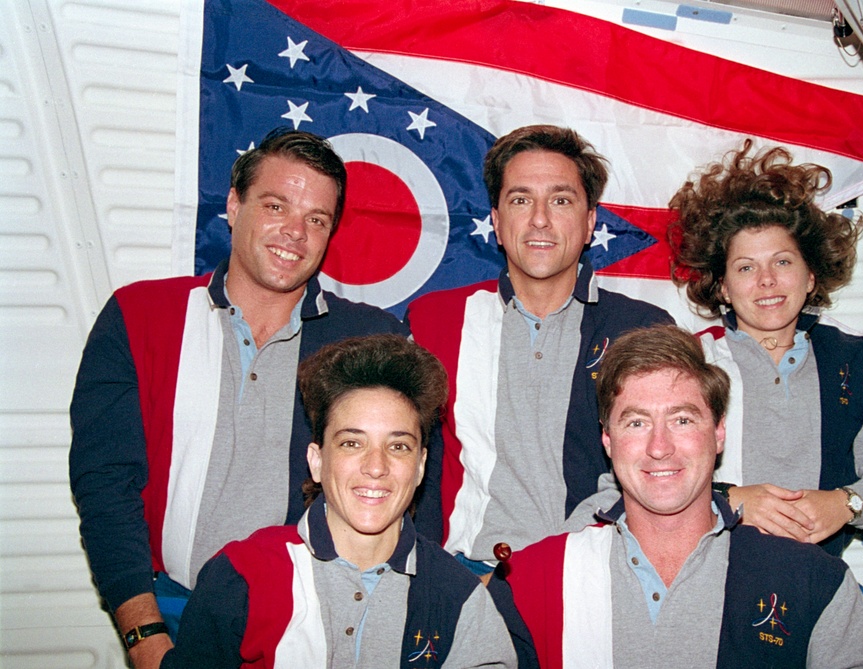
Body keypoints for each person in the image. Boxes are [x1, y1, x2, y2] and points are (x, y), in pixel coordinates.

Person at [69, 128, 407, 665]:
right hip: (173, 610)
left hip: (318, 619)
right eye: (276, 206)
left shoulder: (371, 340)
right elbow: (106, 485)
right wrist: (143, 635)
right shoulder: (140, 318)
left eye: (316, 219)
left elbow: (405, 486)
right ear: (233, 204)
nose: (294, 232)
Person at [498, 325, 863, 668]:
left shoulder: (812, 581)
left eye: (682, 420)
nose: (659, 446)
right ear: (607, 439)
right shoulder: (534, 580)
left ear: (719, 433)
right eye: (636, 422)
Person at [405, 125, 674, 573]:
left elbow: (652, 469)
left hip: (597, 573)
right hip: (461, 575)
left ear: (590, 223)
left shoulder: (643, 330)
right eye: (521, 199)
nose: (540, 219)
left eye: (561, 200)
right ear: (496, 221)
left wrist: (545, 572)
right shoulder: (435, 322)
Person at [159, 335, 517, 668]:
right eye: (351, 443)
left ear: (421, 465)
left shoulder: (459, 597)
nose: (376, 466)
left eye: (398, 446)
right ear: (316, 460)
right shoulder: (240, 575)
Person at [667, 140, 863, 557]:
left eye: (783, 262)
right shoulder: (687, 364)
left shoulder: (860, 362)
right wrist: (726, 500)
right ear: (723, 288)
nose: (766, 280)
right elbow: (638, 481)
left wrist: (846, 504)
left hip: (820, 590)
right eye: (746, 267)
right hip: (709, 584)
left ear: (811, 276)